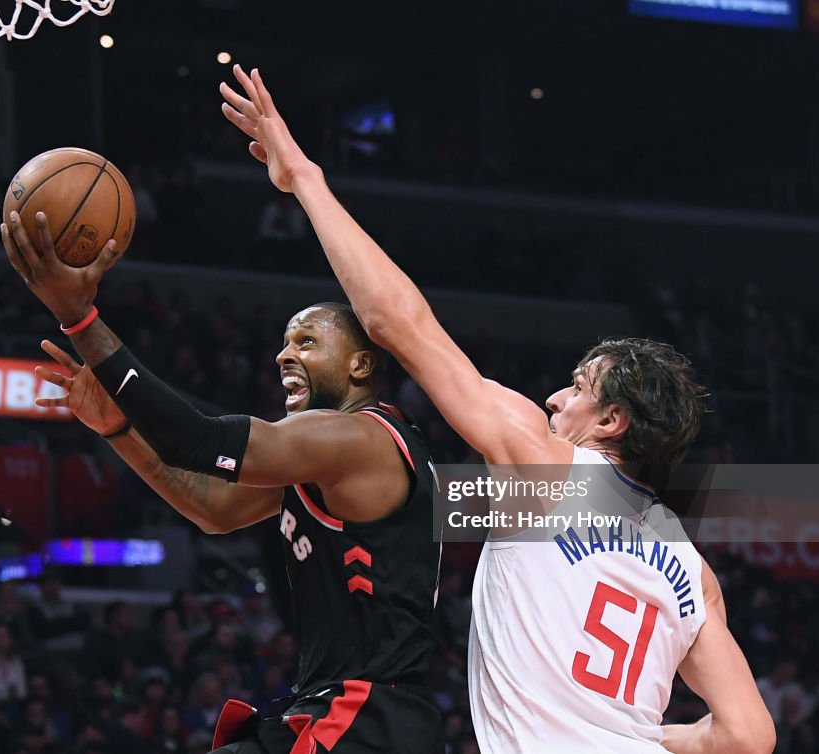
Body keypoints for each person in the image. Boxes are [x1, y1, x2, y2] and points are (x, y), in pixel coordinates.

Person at [220, 65, 776, 754]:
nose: (554, 397)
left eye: (577, 386)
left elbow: (398, 322)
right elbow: (750, 735)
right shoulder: (695, 573)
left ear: (612, 422)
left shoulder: (543, 464)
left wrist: (304, 176)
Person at [0, 211, 445, 753]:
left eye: (306, 342)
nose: (284, 354)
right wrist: (118, 429)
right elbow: (210, 506)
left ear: (358, 366)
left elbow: (198, 441)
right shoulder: (323, 459)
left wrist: (79, 318)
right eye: (285, 342)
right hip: (337, 711)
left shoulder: (359, 440)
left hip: (368, 719)